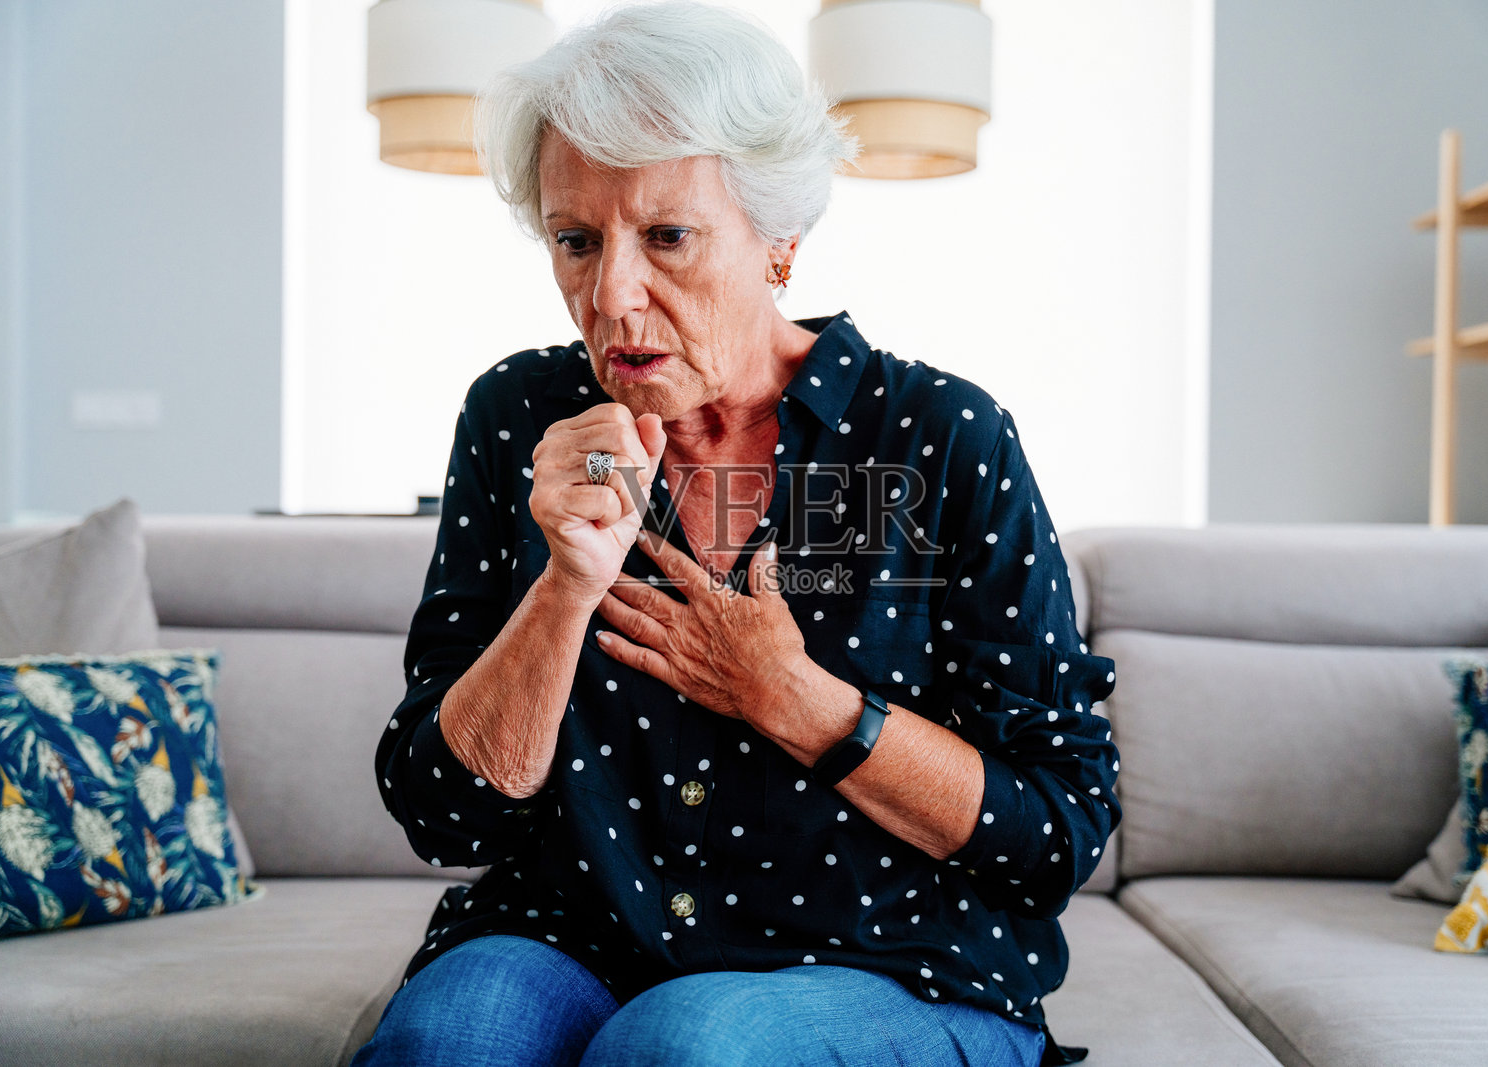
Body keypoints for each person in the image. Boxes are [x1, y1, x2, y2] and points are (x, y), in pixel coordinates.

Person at [354, 4, 1119, 1065]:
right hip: (572, 931)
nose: (613, 292)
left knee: (688, 1044)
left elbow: (1057, 829)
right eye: (576, 239)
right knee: (452, 1038)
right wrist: (565, 586)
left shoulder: (934, 437)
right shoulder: (520, 417)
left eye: (667, 235)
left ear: (779, 242)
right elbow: (446, 817)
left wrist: (799, 703)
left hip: (890, 958)